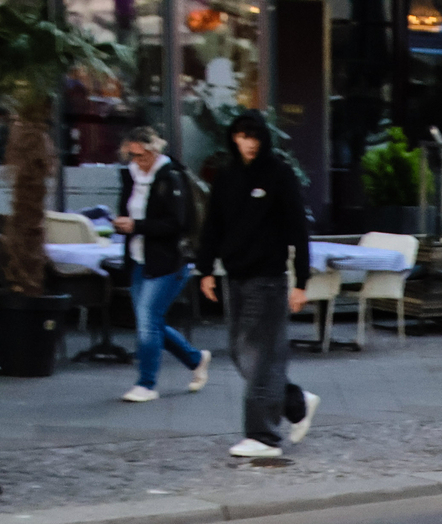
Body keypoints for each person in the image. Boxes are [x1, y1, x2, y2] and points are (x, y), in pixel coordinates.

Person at [191, 110, 316, 461]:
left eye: (255, 137)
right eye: (244, 137)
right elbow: (213, 225)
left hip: (269, 278)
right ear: (234, 138)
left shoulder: (279, 174)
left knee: (262, 356)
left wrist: (301, 282)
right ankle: (295, 400)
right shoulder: (226, 178)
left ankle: (263, 435)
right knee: (239, 351)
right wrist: (205, 270)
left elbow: (297, 230)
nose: (249, 144)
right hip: (236, 277)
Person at [111, 125, 208, 403]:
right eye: (132, 156)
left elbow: (178, 223)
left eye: (141, 156)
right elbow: (127, 210)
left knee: (147, 320)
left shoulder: (171, 177)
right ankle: (195, 359)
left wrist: (137, 225)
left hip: (169, 260)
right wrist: (122, 224)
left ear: (154, 151)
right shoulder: (130, 176)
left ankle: (146, 383)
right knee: (149, 321)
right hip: (139, 258)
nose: (137, 162)